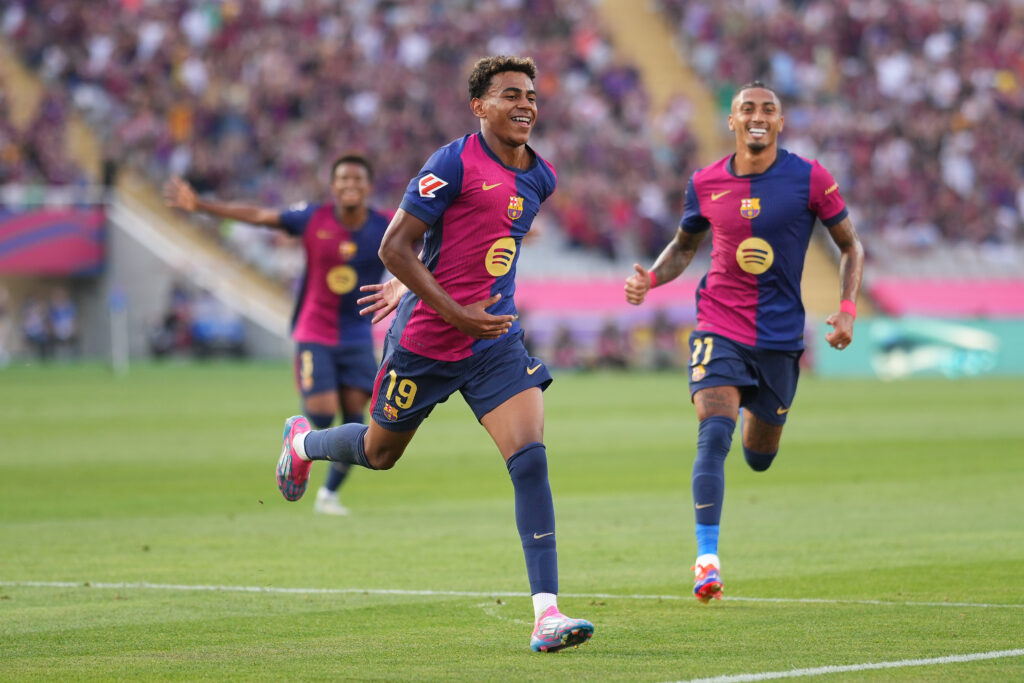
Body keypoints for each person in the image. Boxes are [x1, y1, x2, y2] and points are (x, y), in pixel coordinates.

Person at [275, 55, 594, 653]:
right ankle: (302, 444)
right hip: (426, 342)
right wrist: (443, 303)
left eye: (530, 95)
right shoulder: (450, 163)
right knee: (379, 451)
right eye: (509, 95)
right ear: (479, 107)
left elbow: (483, 242)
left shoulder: (541, 176)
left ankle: (546, 615)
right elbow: (395, 247)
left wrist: (449, 289)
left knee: (529, 460)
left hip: (495, 340)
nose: (525, 104)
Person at [624, 80, 864, 603]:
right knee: (713, 434)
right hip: (718, 326)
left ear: (780, 123)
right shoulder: (705, 182)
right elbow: (685, 246)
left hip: (779, 338)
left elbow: (850, 246)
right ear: (731, 121)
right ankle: (706, 559)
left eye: (768, 109)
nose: (758, 116)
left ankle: (764, 422)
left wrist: (847, 310)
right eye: (747, 109)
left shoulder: (809, 178)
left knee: (759, 456)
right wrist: (652, 280)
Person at [164, 154, 389, 516]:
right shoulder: (313, 218)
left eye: (357, 179)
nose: (350, 185)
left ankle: (328, 494)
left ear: (368, 186)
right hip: (315, 331)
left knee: (355, 420)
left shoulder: (385, 225)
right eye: (343, 179)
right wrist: (201, 205)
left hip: (358, 336)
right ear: (333, 187)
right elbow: (259, 216)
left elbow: (430, 227)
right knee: (322, 413)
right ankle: (298, 440)